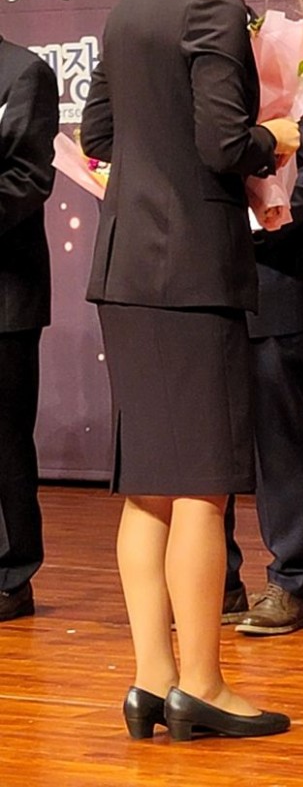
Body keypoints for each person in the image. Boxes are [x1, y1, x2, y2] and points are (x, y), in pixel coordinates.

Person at [80, 0, 297, 740]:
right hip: (192, 274)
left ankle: (151, 679)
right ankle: (202, 683)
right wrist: (278, 136)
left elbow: (97, 132)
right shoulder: (210, 1)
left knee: (148, 488)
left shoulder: (129, 3)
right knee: (204, 484)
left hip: (127, 269)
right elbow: (223, 142)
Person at [223, 117, 303, 636]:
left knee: (281, 441)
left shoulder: (291, 79)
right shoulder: (190, 79)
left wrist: (265, 217)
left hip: (274, 279)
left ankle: (290, 583)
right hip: (200, 284)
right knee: (206, 442)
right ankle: (217, 580)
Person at [0, 36, 58, 623]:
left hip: (5, 293)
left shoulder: (23, 72)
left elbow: (28, 178)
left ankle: (11, 574)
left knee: (4, 438)